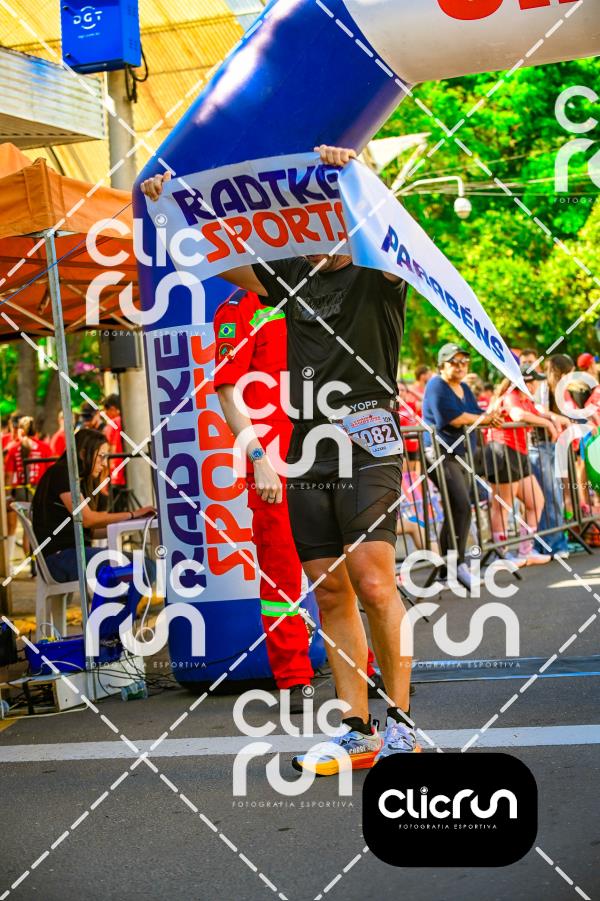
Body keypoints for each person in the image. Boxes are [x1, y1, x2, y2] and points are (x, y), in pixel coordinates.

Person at [142, 144, 420, 770]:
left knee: (375, 581)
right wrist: (166, 209)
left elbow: (390, 218)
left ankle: (401, 723)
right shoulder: (292, 277)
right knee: (330, 591)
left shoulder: (377, 271)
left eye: (326, 215)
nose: (312, 230)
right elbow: (210, 254)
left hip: (369, 439)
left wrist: (357, 167)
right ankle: (357, 729)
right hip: (305, 450)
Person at [213, 289, 315, 711]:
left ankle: (361, 668)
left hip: (324, 456)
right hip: (274, 462)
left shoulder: (308, 295)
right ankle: (293, 678)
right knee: (281, 578)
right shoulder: (239, 308)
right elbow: (227, 392)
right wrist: (258, 459)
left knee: (344, 571)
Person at [422, 343, 504, 590]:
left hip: (459, 454)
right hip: (438, 454)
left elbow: (476, 413)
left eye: (464, 362)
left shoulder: (465, 388)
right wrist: (483, 419)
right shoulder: (436, 385)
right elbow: (454, 418)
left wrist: (490, 416)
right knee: (461, 506)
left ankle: (447, 568)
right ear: (442, 365)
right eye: (454, 362)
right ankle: (457, 565)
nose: (460, 366)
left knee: (456, 509)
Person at [31, 428, 155, 582]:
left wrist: (132, 521)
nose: (104, 463)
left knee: (145, 566)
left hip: (71, 554)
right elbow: (88, 519)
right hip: (58, 558)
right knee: (142, 567)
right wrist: (132, 514)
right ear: (83, 454)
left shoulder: (79, 479)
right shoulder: (62, 473)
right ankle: (110, 598)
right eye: (101, 456)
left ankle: (114, 598)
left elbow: (93, 530)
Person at [485, 365, 554, 566]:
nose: (537, 385)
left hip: (518, 453)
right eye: (534, 381)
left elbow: (541, 413)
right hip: (503, 451)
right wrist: (548, 424)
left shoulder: (525, 399)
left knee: (536, 502)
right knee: (502, 505)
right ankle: (501, 553)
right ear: (526, 383)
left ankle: (525, 550)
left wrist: (557, 420)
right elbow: (517, 416)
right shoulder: (511, 396)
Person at [4, 416, 52, 569]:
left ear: (21, 430)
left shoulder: (14, 448)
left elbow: (9, 475)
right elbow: (50, 473)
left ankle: (29, 564)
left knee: (26, 529)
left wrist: (7, 495)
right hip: (40, 491)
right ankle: (38, 566)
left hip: (20, 491)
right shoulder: (44, 447)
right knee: (39, 528)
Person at [102, 394, 127, 500]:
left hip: (115, 474)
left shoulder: (113, 424)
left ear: (112, 409)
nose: (105, 414)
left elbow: (111, 450)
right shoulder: (127, 420)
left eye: (106, 411)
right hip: (128, 473)